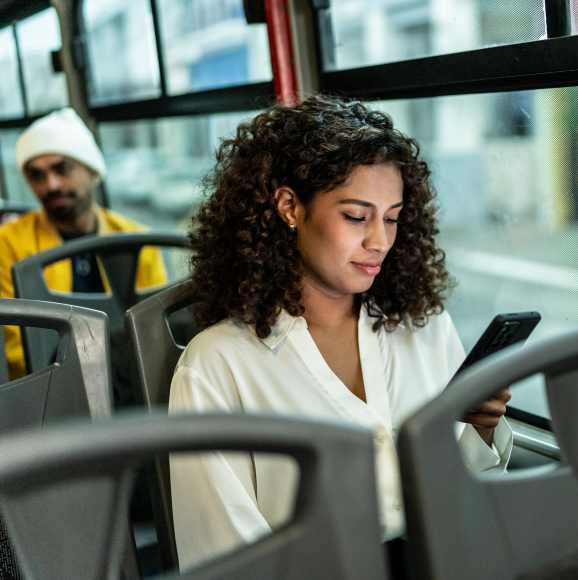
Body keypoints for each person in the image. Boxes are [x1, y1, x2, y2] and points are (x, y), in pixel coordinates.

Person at [168, 95, 514, 569]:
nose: (380, 242)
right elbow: (223, 557)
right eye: (356, 216)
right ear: (290, 207)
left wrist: (482, 428)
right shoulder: (216, 365)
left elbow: (465, 491)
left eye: (392, 218)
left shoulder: (425, 328)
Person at [0, 108, 167, 379]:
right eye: (37, 175)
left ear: (91, 170)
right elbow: (16, 346)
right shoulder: (8, 244)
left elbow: (153, 330)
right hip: (51, 383)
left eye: (61, 169)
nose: (51, 185)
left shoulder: (135, 239)